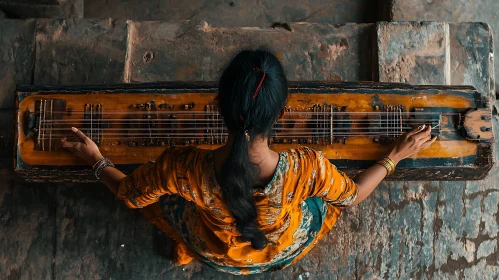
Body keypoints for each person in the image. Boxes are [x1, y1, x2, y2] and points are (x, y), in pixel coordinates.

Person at [60, 50, 436, 275]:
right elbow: (351, 197)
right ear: (281, 114)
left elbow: (129, 193)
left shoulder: (183, 167)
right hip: (279, 249)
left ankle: (186, 250)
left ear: (218, 107)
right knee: (319, 202)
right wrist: (394, 156)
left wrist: (95, 159)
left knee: (169, 205)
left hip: (214, 251)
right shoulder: (307, 168)